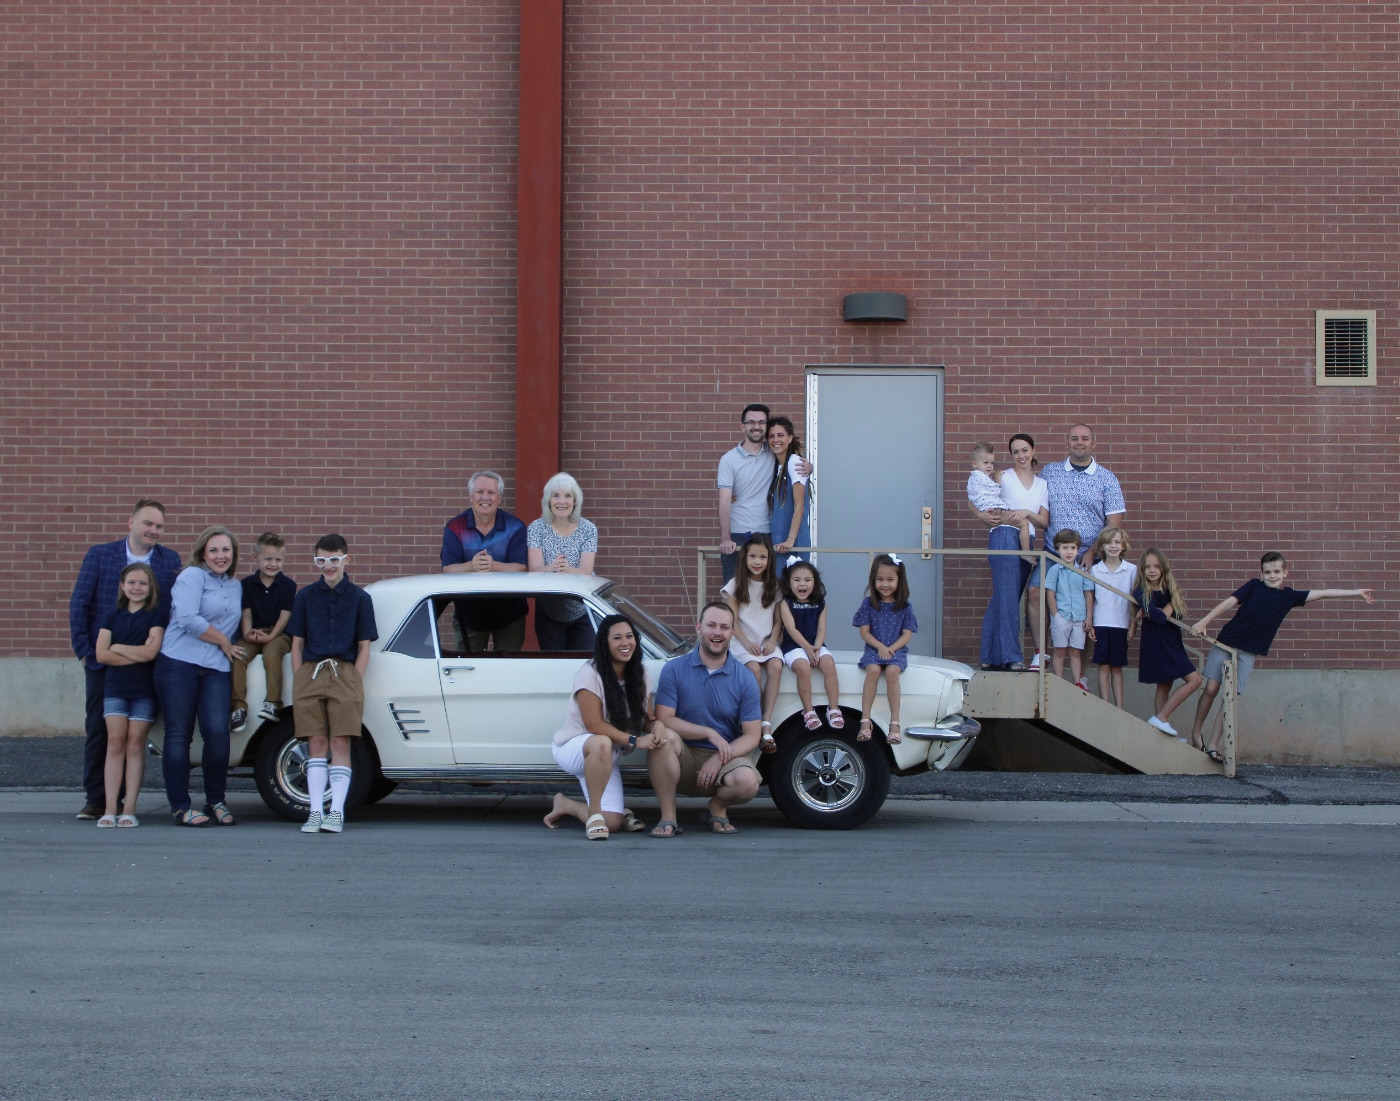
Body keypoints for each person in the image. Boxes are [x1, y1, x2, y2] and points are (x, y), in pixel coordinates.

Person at [1189, 552, 1374, 763]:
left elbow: (1323, 593)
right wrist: (1205, 621)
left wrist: (1356, 592)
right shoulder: (1253, 586)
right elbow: (1229, 602)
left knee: (1229, 697)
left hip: (1248, 652)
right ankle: (1196, 732)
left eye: (1277, 571)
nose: (1272, 576)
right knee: (1211, 689)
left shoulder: (1288, 597)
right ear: (1261, 574)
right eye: (1267, 572)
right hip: (1226, 642)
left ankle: (1213, 744)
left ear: (1285, 573)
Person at [68, 499, 182, 820]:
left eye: (159, 526)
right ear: (130, 523)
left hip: (147, 665)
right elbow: (80, 603)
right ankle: (97, 799)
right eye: (148, 524)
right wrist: (86, 653)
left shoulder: (169, 561)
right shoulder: (100, 555)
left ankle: (126, 803)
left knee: (135, 738)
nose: (153, 531)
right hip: (102, 662)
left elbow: (172, 611)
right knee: (100, 730)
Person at [543, 614, 667, 839]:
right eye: (617, 638)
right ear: (605, 643)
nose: (625, 643)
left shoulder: (640, 673)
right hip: (577, 747)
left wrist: (657, 726)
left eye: (629, 636)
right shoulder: (590, 673)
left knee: (612, 822)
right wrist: (635, 740)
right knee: (602, 741)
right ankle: (594, 814)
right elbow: (594, 724)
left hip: (605, 757)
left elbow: (647, 717)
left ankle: (566, 805)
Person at [648, 602, 763, 836]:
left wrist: (720, 758)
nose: (717, 633)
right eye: (711, 625)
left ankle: (717, 807)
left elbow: (753, 735)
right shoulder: (675, 669)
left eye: (724, 627)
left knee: (747, 782)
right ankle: (668, 817)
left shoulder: (745, 677)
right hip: (682, 756)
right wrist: (709, 733)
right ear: (699, 627)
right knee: (663, 737)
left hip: (725, 757)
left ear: (732, 632)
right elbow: (664, 718)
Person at [155, 526, 244, 827]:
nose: (221, 556)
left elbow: (235, 625)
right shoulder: (191, 577)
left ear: (233, 554)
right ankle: (180, 807)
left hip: (216, 668)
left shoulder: (235, 586)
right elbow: (188, 619)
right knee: (179, 735)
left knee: (218, 732)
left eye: (226, 550)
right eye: (214, 550)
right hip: (179, 662)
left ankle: (216, 800)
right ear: (203, 553)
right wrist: (223, 641)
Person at [290, 534, 379, 834]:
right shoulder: (304, 597)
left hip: (344, 673)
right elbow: (296, 642)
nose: (328, 566)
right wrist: (299, 676)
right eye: (321, 560)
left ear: (346, 559)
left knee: (341, 742)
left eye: (334, 559)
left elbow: (364, 645)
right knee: (315, 743)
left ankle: (336, 812)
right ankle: (315, 811)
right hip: (311, 673)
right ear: (315, 561)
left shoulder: (360, 598)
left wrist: (354, 677)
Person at [1025, 424, 1127, 671]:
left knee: (1087, 609)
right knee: (1036, 592)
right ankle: (1041, 654)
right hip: (1053, 553)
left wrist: (1092, 551)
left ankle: (1080, 672)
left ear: (1094, 443)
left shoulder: (1106, 478)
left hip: (1088, 558)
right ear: (1067, 443)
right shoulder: (1050, 473)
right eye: (1074, 438)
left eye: (1084, 438)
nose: (1079, 442)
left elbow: (1114, 522)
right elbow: (1028, 495)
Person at [93, 564, 167, 827]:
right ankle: (110, 809)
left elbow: (151, 654)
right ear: (122, 586)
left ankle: (130, 809)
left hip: (144, 691)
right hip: (115, 689)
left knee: (135, 744)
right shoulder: (111, 616)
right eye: (132, 583)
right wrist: (135, 653)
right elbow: (101, 655)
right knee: (115, 742)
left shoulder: (156, 616)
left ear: (150, 588)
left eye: (143, 584)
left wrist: (119, 647)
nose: (137, 588)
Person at [971, 434, 1049, 670]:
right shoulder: (1002, 476)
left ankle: (989, 656)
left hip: (1028, 540)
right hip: (1004, 535)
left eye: (1025, 450)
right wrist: (980, 515)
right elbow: (976, 495)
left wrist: (1026, 512)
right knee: (1006, 598)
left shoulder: (1042, 484)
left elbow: (1044, 521)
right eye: (1015, 452)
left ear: (1033, 451)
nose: (1021, 455)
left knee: (1004, 598)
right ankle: (1011, 657)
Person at [716, 404, 812, 583]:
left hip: (768, 534)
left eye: (761, 422)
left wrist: (809, 467)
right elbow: (724, 502)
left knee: (766, 592)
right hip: (738, 533)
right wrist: (726, 538)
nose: (756, 426)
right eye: (751, 422)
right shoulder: (728, 460)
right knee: (733, 588)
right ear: (742, 426)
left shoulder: (773, 452)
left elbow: (793, 464)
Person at [441, 470, 529, 651]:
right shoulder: (455, 527)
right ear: (470, 496)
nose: (485, 497)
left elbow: (521, 568)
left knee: (508, 672)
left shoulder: (515, 526)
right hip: (469, 616)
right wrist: (471, 566)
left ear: (499, 498)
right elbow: (448, 570)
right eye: (480, 492)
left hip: (510, 615)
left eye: (491, 492)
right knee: (468, 675)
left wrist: (492, 565)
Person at [720, 534, 784, 750]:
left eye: (763, 557)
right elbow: (732, 620)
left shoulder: (774, 585)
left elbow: (778, 621)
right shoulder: (736, 584)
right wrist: (746, 642)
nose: (758, 562)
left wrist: (773, 641)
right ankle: (753, 720)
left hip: (766, 641)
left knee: (775, 665)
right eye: (753, 556)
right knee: (754, 669)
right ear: (744, 558)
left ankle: (766, 721)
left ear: (770, 560)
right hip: (741, 641)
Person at [229, 531, 296, 731]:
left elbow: (285, 616)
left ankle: (273, 703)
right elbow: (246, 613)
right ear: (255, 558)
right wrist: (248, 633)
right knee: (237, 654)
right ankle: (238, 707)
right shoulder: (247, 584)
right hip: (254, 632)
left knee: (272, 653)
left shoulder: (288, 585)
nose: (272, 564)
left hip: (279, 634)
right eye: (267, 559)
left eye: (278, 560)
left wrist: (271, 636)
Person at [1133, 547, 1202, 737]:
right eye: (1148, 567)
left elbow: (1178, 613)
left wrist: (1168, 607)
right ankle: (1161, 717)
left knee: (1165, 684)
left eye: (1156, 566)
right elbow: (1160, 618)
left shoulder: (1169, 589)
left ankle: (1160, 726)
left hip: (1172, 640)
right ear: (1142, 570)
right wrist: (1166, 608)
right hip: (1157, 642)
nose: (1152, 570)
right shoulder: (1140, 591)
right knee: (1195, 680)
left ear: (1163, 568)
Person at [526, 472, 599, 652]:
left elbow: (586, 572)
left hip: (583, 610)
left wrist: (568, 569)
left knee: (583, 667)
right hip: (549, 610)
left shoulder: (588, 529)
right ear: (548, 500)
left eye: (568, 496)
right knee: (554, 668)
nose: (562, 501)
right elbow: (534, 570)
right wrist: (551, 568)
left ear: (575, 501)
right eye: (556, 495)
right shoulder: (536, 528)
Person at [853, 553, 917, 745]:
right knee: (872, 670)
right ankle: (865, 720)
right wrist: (880, 647)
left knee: (892, 672)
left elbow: (907, 634)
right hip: (874, 648)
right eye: (880, 579)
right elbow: (864, 633)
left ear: (899, 580)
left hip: (896, 650)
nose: (885, 584)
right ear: (873, 580)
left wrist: (890, 649)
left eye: (890, 579)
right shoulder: (868, 604)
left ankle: (894, 723)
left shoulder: (905, 606)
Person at [777, 558, 843, 732]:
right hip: (794, 646)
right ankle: (808, 710)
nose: (802, 584)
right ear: (789, 583)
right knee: (803, 667)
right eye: (797, 580)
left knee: (829, 663)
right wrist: (807, 649)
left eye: (807, 580)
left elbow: (822, 628)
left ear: (815, 582)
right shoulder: (785, 603)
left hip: (816, 645)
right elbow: (790, 629)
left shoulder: (821, 603)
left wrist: (817, 647)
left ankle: (834, 708)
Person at [1088, 527, 1136, 709]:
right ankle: (1105, 706)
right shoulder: (1094, 570)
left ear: (1123, 545)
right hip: (1100, 623)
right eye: (1109, 542)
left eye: (1117, 542)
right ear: (1102, 546)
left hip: (1121, 625)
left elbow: (1134, 601)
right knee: (1103, 666)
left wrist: (1133, 625)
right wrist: (1090, 622)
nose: (1113, 546)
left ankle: (1119, 707)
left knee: (1116, 667)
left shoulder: (1131, 570)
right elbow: (1090, 597)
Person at [1044, 529, 1095, 691]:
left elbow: (1088, 595)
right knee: (1059, 649)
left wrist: (1089, 617)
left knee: (1075, 650)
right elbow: (1050, 593)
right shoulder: (1054, 570)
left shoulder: (1082, 572)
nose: (1069, 552)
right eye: (1065, 548)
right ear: (1057, 549)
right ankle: (1058, 682)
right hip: (1062, 616)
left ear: (1078, 550)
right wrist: (1055, 615)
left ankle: (1077, 682)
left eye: (1073, 548)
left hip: (1079, 617)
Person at [766, 415, 811, 571]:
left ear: (790, 438)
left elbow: (799, 506)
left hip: (792, 543)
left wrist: (790, 540)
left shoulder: (794, 462)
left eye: (780, 435)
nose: (775, 440)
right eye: (771, 436)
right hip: (779, 543)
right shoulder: (776, 466)